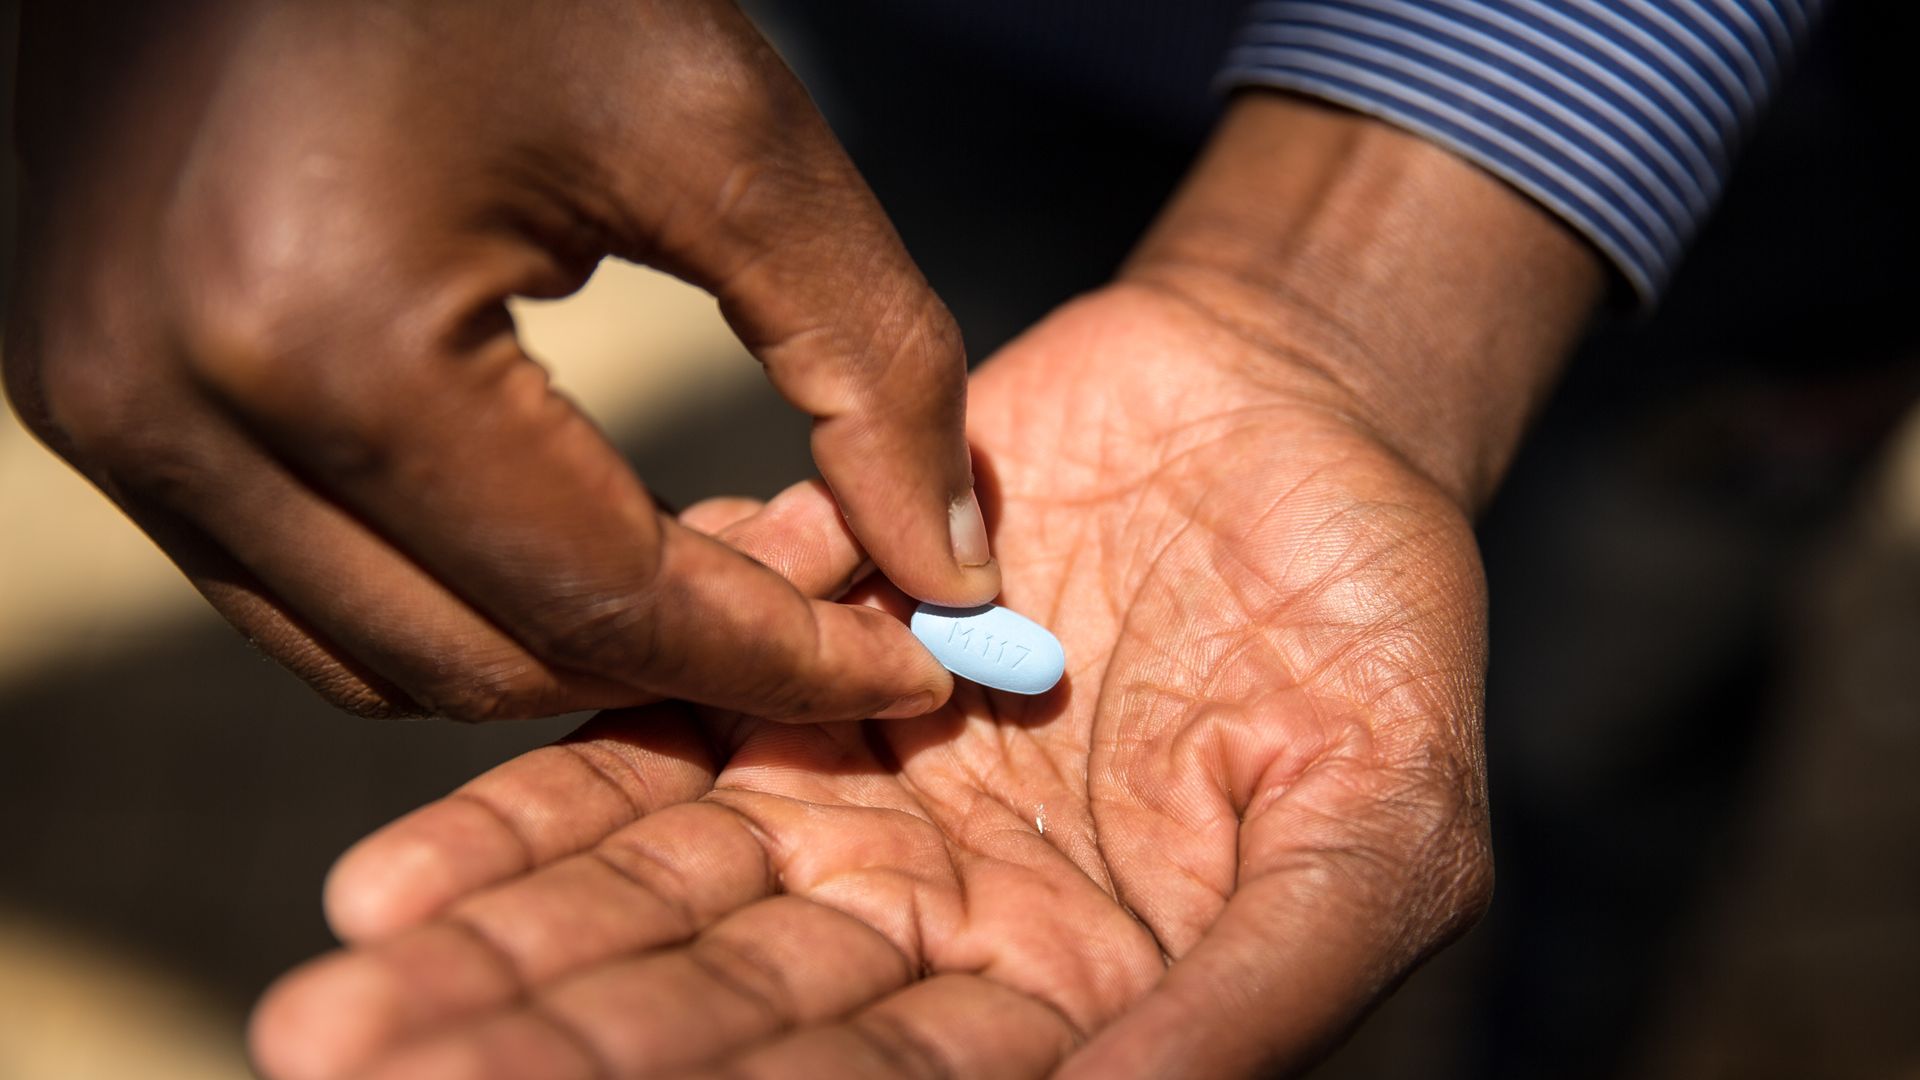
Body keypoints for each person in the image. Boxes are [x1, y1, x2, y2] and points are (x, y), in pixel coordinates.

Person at [3, 1, 1825, 1076]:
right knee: (988, 328)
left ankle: (1570, 1033)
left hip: (1723, 162)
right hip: (962, 51)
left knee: (1605, 708)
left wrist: (1361, 281)